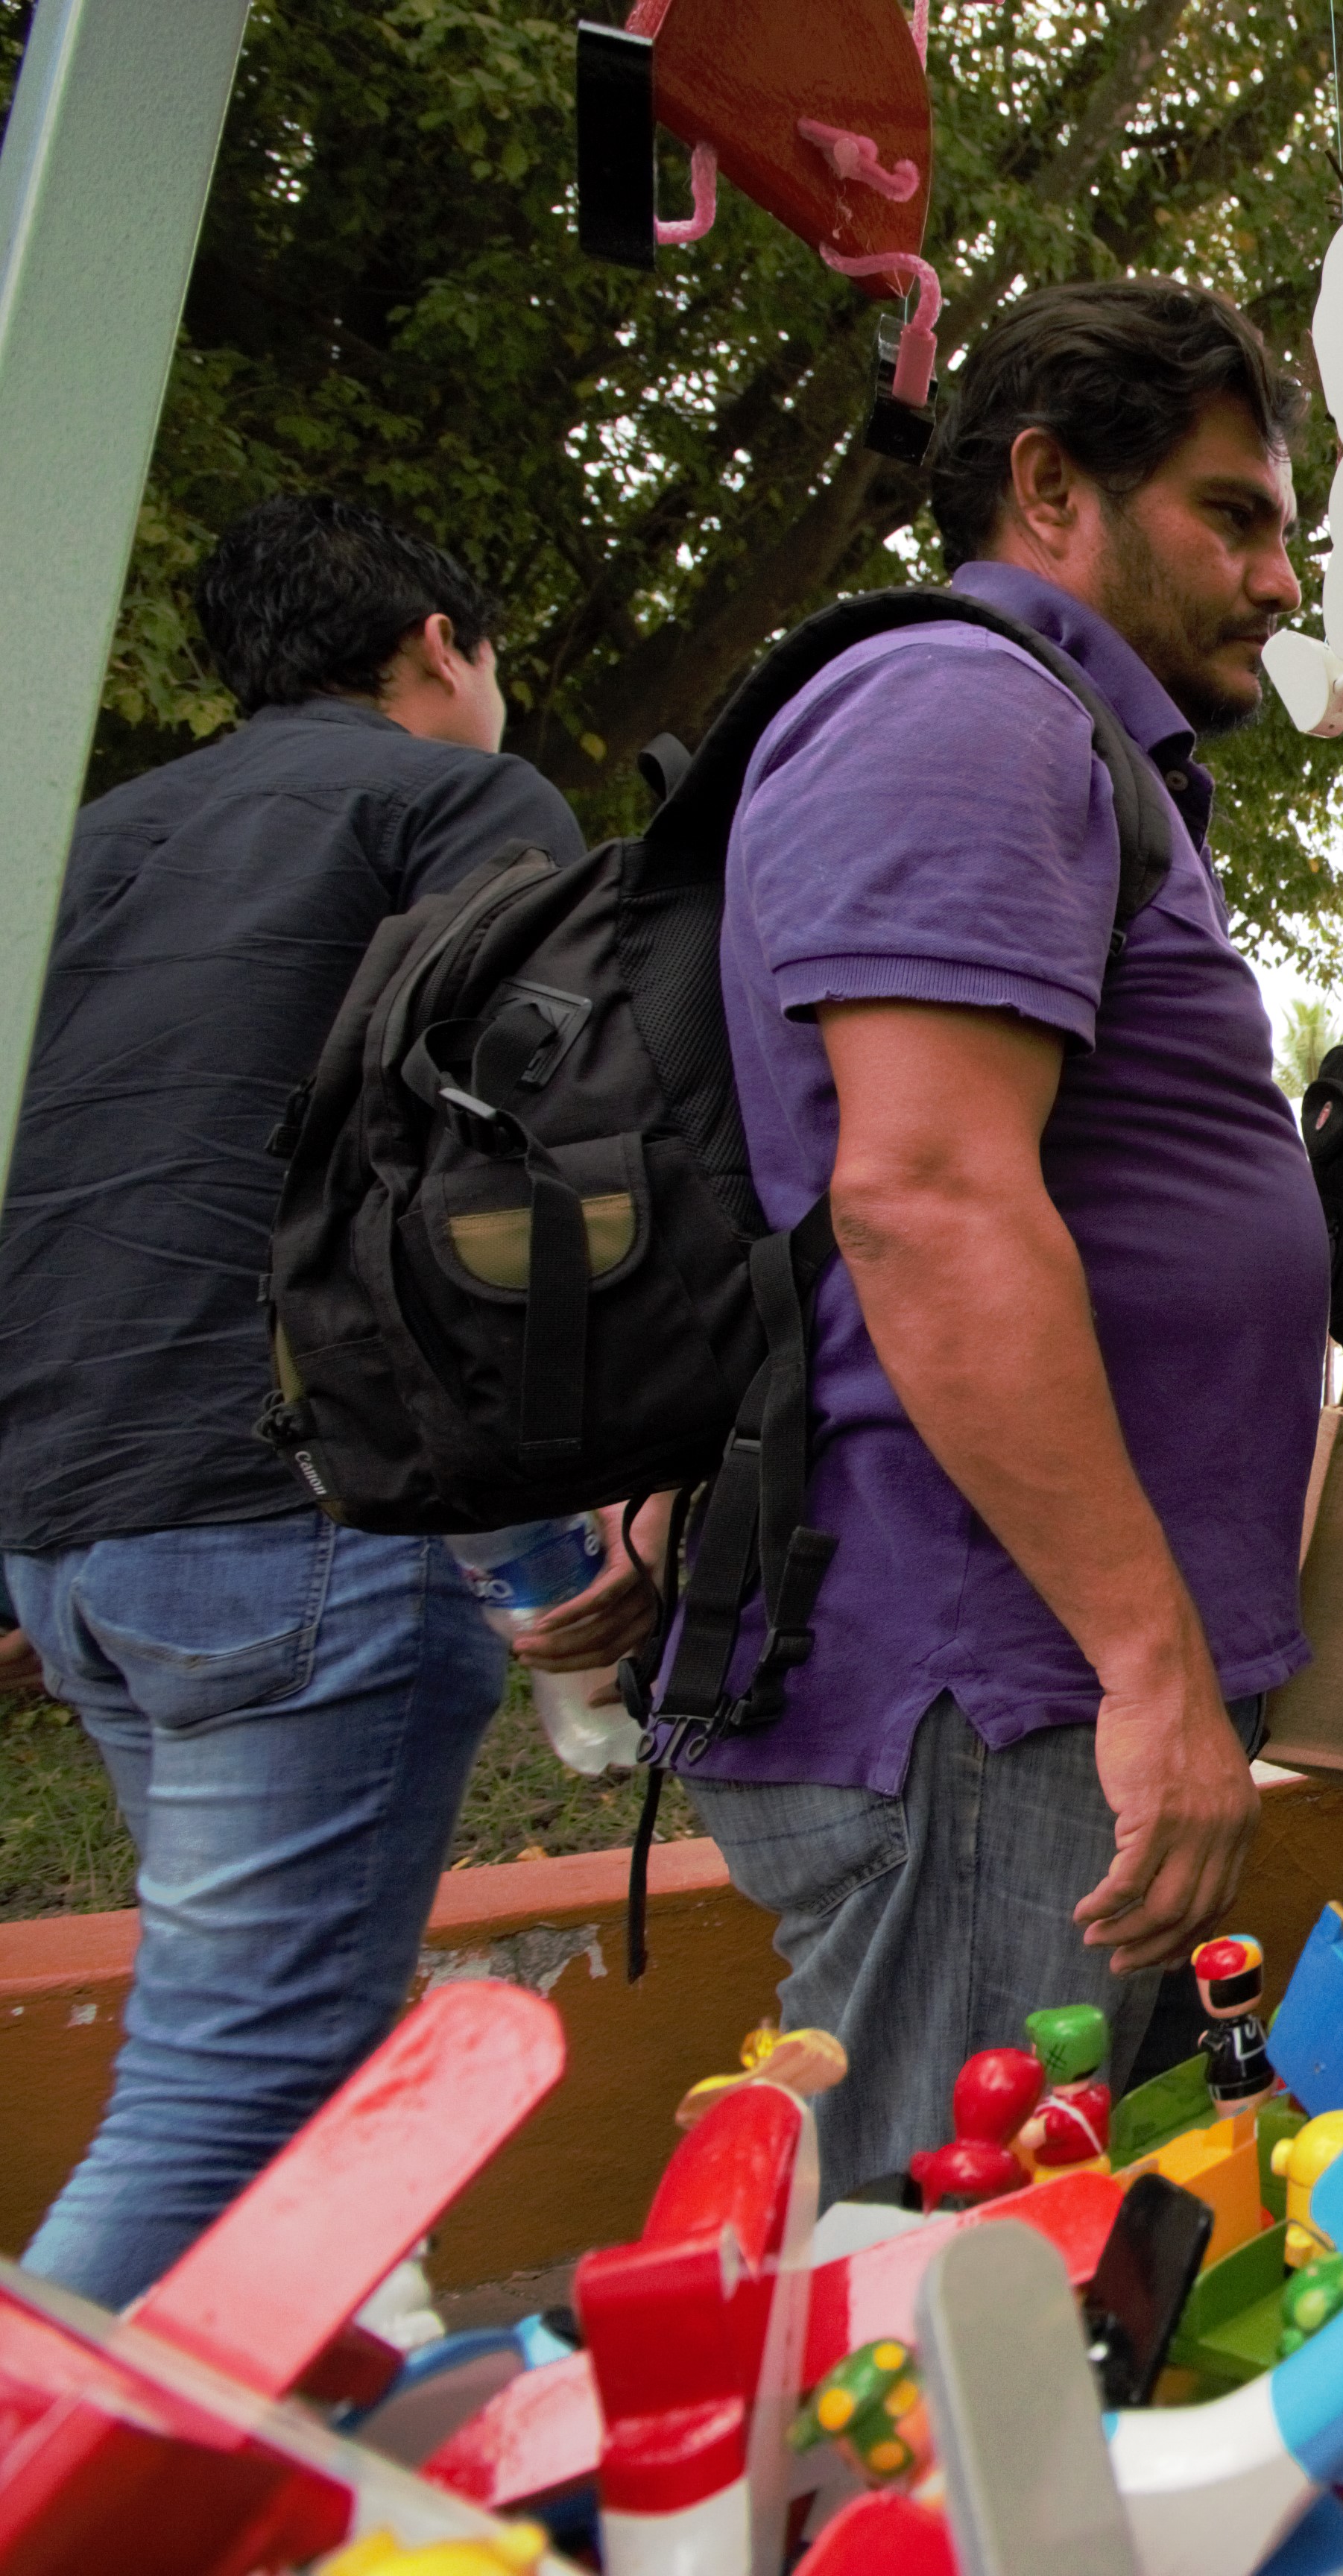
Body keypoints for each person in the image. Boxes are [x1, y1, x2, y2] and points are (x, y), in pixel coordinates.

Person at [672, 279, 1327, 2186]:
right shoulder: (963, 702)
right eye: (1235, 514)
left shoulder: (1054, 737)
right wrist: (1147, 1664)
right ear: (1049, 487)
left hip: (1037, 1682)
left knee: (1026, 2265)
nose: (1281, 580)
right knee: (930, 2293)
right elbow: (926, 1191)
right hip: (1000, 1682)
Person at [0, 494, 657, 2305]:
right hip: (290, 1519)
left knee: (300, 2085)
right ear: (443, 644)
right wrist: (552, 1536)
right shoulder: (451, 804)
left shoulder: (91, 835)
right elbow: (495, 1189)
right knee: (242, 2081)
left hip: (76, 1519)